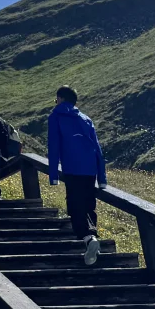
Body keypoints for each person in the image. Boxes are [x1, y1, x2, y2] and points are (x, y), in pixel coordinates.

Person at [47, 86, 107, 266]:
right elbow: (97, 149)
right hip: (90, 169)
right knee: (88, 203)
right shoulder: (85, 118)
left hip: (72, 167)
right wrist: (102, 178)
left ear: (60, 99)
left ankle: (88, 238)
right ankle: (92, 237)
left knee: (74, 204)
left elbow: (54, 146)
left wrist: (53, 175)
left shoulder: (56, 117)